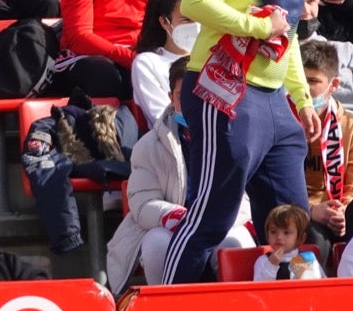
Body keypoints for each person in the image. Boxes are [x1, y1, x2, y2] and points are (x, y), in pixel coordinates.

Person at [159, 0, 341, 284]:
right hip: (226, 92)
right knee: (211, 217)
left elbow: (289, 33)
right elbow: (196, 0)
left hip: (274, 100)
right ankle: (163, 305)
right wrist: (258, 27)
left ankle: (292, 305)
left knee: (290, 223)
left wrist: (299, 96)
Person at [108, 57, 255, 291]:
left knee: (238, 242)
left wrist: (209, 221)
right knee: (156, 243)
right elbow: (142, 203)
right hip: (168, 226)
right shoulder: (149, 145)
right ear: (170, 98)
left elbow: (245, 200)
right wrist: (180, 217)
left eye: (199, 94)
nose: (190, 103)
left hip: (221, 224)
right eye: (182, 95)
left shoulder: (235, 139)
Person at [300, 39, 353, 258]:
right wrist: (312, 210)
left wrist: (342, 211)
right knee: (315, 241)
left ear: (333, 86)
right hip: (297, 213)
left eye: (312, 81)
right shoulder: (282, 122)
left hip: (340, 212)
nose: (304, 88)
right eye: (299, 80)